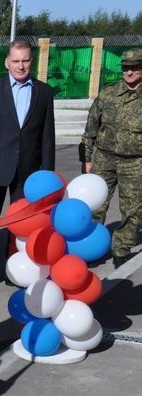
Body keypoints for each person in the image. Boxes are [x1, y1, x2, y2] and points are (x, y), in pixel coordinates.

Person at [0, 39, 55, 292]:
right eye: (15, 61)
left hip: (29, 174)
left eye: (25, 60)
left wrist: (47, 178)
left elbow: (47, 138)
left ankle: (15, 273)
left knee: (21, 228)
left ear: (32, 60)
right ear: (6, 62)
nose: (20, 66)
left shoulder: (44, 92)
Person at [80, 47, 142, 268]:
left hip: (135, 162)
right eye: (126, 68)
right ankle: (89, 246)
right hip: (104, 159)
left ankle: (120, 248)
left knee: (133, 209)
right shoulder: (107, 94)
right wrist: (86, 159)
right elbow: (90, 130)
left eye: (135, 68)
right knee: (95, 205)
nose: (130, 72)